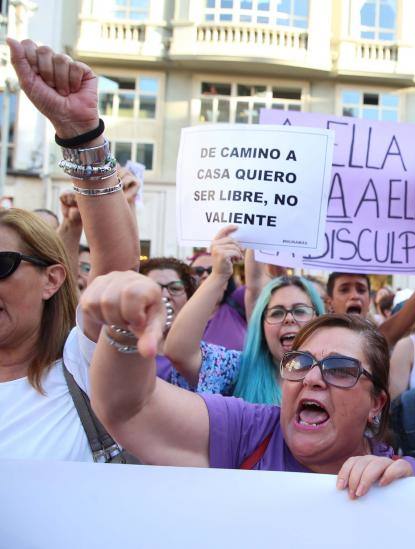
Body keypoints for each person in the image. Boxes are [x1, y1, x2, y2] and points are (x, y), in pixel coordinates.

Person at [82, 270, 415, 497]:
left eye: (340, 369)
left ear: (376, 403)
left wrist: (395, 491)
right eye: (299, 363)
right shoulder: (250, 430)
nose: (313, 378)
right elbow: (130, 409)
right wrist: (123, 329)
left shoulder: (398, 477)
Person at [0, 38, 139, 461]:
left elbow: (116, 273)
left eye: (1, 265)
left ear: (52, 279)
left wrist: (79, 133)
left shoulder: (81, 366)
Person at [164, 227, 326, 404]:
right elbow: (179, 352)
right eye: (277, 312)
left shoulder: (337, 373)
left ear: (318, 319)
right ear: (261, 325)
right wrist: (218, 275)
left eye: (300, 311)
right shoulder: (239, 369)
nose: (288, 318)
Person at [327, 271, 415, 348]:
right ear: (330, 303)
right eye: (344, 290)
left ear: (369, 301)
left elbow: (409, 312)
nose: (355, 296)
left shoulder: (377, 340)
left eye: (361, 290)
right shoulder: (316, 339)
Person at [139, 257, 197, 386]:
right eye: (154, 288)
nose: (165, 295)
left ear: (189, 298)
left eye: (175, 288)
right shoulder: (123, 350)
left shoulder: (203, 354)